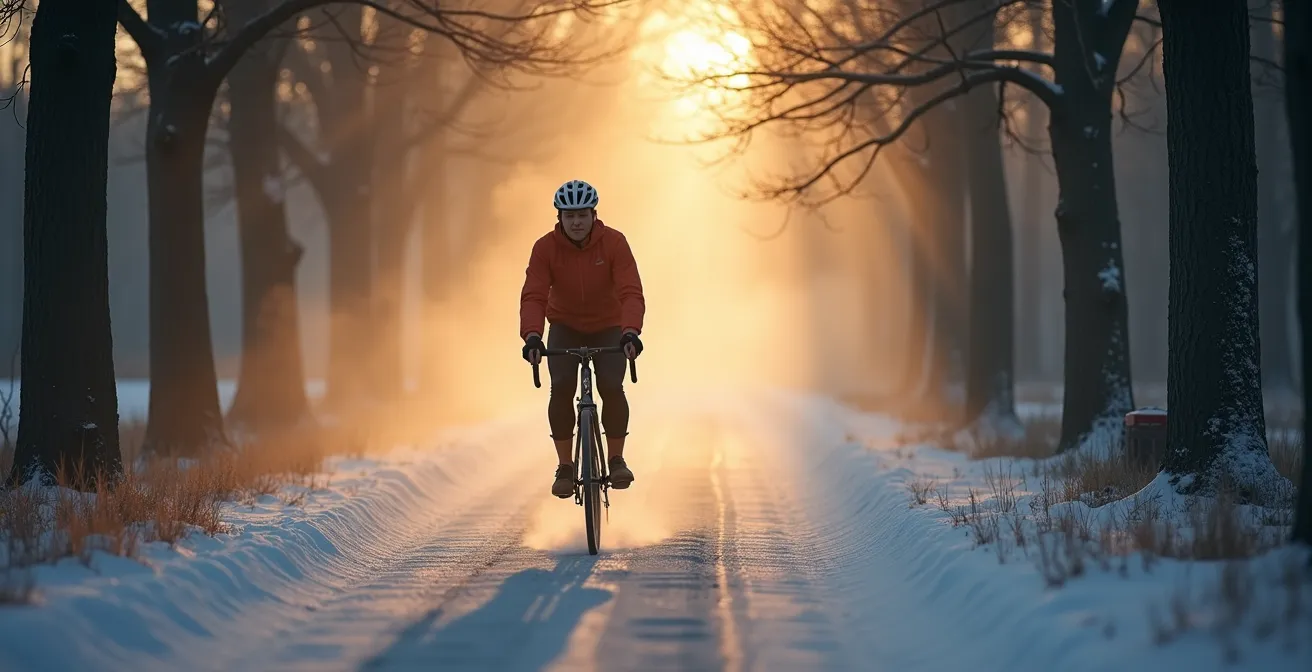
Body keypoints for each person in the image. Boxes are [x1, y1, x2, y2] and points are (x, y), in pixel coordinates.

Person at [520, 179, 646, 498]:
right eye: (570, 216)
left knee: (611, 385)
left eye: (582, 215)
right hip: (565, 325)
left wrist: (630, 332)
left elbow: (631, 291)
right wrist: (532, 336)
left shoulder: (614, 243)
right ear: (560, 218)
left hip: (609, 325)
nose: (576, 222)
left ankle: (616, 460)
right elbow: (534, 295)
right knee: (562, 386)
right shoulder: (545, 248)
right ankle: (565, 465)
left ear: (594, 216)